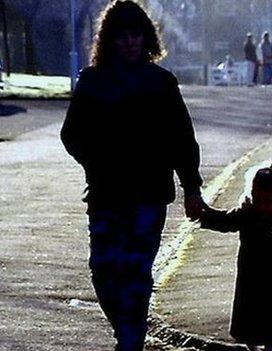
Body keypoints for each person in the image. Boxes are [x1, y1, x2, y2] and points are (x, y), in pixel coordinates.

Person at [60, 1, 206, 349]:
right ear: (109, 40)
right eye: (122, 36)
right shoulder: (93, 82)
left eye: (136, 35)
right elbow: (72, 134)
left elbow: (182, 139)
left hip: (149, 194)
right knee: (104, 271)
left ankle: (131, 340)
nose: (130, 42)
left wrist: (192, 188)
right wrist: (95, 162)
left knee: (137, 271)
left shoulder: (161, 83)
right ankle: (127, 330)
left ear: (146, 38)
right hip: (106, 193)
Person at [200, 163, 272, 351]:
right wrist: (204, 215)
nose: (263, 206)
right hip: (250, 276)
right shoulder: (246, 214)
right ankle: (252, 345)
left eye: (268, 201)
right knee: (248, 316)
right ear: (252, 195)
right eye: (258, 200)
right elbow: (226, 221)